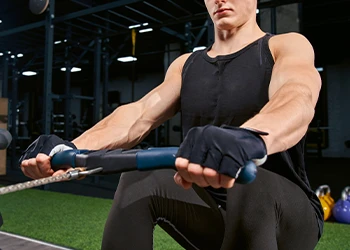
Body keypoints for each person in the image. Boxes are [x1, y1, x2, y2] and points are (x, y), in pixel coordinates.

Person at [20, 0, 324, 249]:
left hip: (285, 219)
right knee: (138, 177)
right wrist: (69, 147)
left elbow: (298, 96)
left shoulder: (284, 46)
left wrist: (248, 139)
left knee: (249, 178)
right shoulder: (186, 65)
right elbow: (138, 115)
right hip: (216, 213)